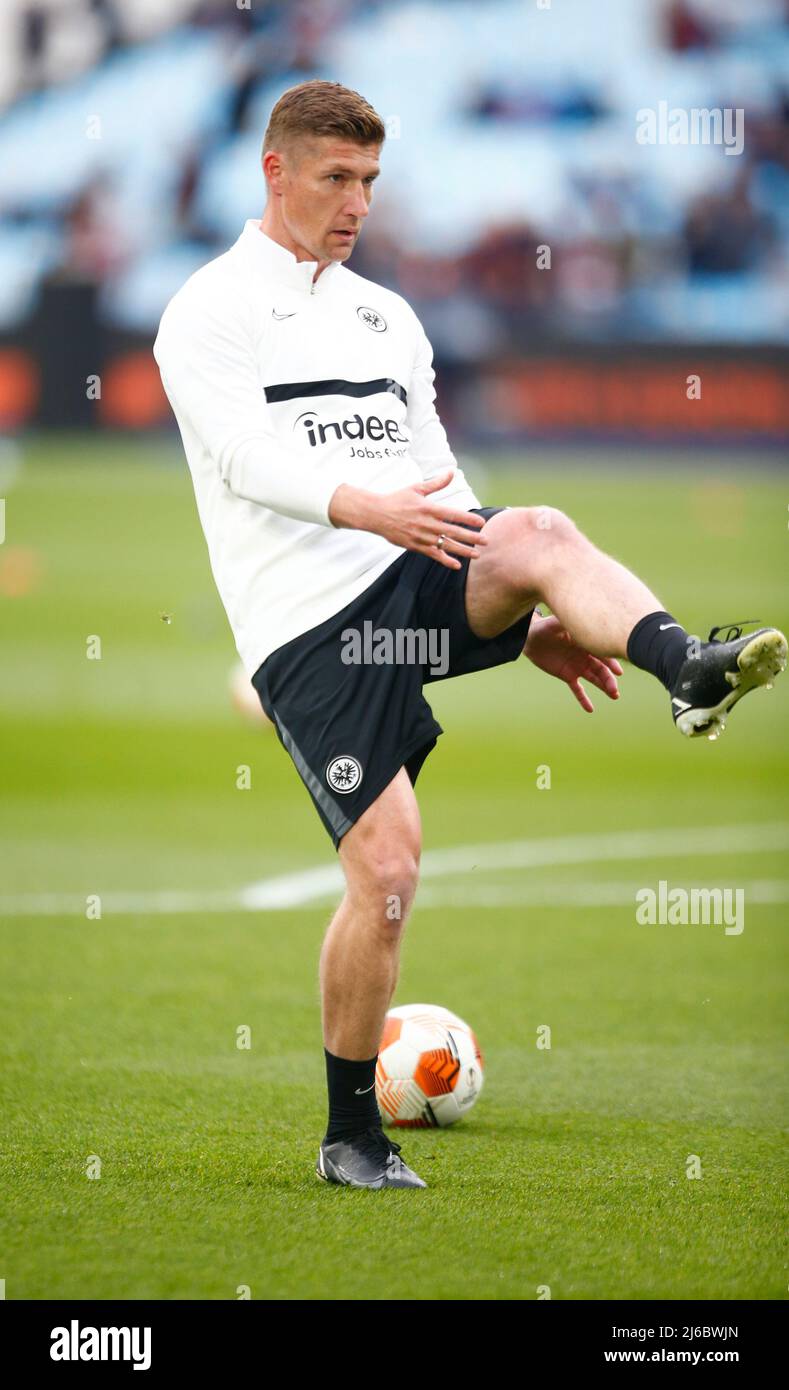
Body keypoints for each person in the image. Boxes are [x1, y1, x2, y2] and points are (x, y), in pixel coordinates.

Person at [153, 79, 786, 1191]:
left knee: (538, 527)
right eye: (337, 179)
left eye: (371, 182)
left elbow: (447, 482)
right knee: (388, 871)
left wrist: (520, 599)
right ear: (275, 172)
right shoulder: (206, 310)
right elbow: (248, 460)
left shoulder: (385, 316)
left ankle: (686, 664)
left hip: (412, 564)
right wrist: (371, 505)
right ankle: (352, 1134)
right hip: (308, 629)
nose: (357, 204)